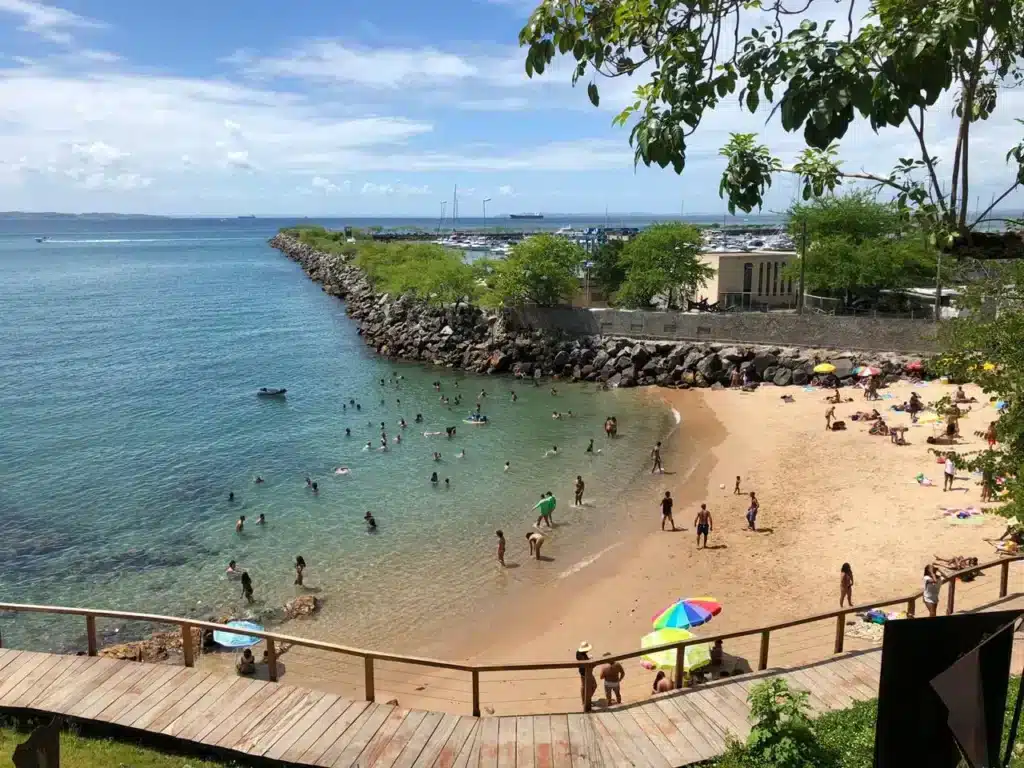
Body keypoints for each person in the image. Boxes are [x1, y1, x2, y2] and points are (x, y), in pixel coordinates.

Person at [576, 643, 597, 710]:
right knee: (592, 685)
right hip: (585, 672)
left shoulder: (578, 653)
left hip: (584, 671)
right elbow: (586, 663)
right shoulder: (581, 654)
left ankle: (586, 700)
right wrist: (590, 660)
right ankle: (586, 701)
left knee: (584, 686)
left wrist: (588, 659)